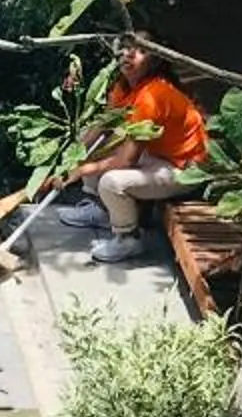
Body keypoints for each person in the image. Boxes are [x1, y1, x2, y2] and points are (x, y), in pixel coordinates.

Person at [68, 40, 210, 264]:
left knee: (112, 182)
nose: (129, 54)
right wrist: (70, 161)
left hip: (184, 169)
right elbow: (103, 126)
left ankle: (128, 239)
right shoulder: (122, 86)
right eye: (125, 47)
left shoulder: (152, 96)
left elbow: (126, 160)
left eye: (141, 50)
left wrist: (82, 169)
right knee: (88, 143)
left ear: (154, 61)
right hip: (157, 154)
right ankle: (102, 210)